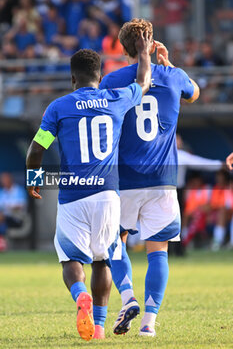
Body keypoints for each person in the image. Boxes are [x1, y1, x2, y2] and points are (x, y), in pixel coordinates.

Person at [26, 31, 152, 341]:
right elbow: (144, 82)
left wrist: (34, 179)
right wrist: (143, 51)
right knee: (103, 259)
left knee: (71, 259)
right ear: (100, 76)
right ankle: (98, 329)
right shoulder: (117, 97)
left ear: (72, 78)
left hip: (73, 195)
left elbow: (36, 150)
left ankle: (80, 295)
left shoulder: (58, 107)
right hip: (108, 194)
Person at [99, 18, 200, 337]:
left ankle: (128, 297)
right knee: (159, 252)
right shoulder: (175, 77)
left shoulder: (112, 81)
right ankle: (149, 324)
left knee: (114, 243)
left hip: (124, 178)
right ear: (152, 42)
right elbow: (195, 94)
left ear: (124, 48)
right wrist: (167, 64)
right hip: (164, 180)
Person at [0, 172, 27, 251]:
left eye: (5, 179)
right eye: (2, 180)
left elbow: (21, 206)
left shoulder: (19, 191)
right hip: (5, 218)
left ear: (10, 180)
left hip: (17, 218)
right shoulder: (2, 192)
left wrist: (8, 206)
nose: (4, 182)